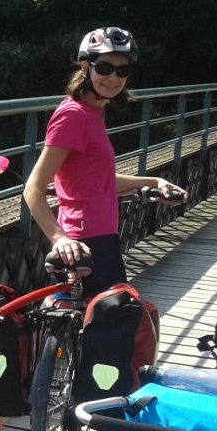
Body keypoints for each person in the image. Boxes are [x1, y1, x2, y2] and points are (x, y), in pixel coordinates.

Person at [24, 26, 186, 297]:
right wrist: (60, 238)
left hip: (101, 235)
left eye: (122, 71)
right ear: (86, 67)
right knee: (113, 328)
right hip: (86, 241)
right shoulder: (73, 116)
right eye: (105, 67)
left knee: (103, 326)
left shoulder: (93, 112)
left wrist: (155, 182)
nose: (114, 78)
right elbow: (33, 188)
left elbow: (98, 181)